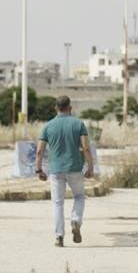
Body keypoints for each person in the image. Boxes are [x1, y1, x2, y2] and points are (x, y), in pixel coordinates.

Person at [35, 95, 95, 247]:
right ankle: (75, 220)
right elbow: (86, 148)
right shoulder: (78, 124)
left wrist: (39, 169)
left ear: (56, 108)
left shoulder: (48, 126)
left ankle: (59, 237)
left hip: (55, 170)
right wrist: (90, 167)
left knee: (57, 203)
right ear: (70, 107)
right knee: (79, 197)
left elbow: (39, 151)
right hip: (75, 168)